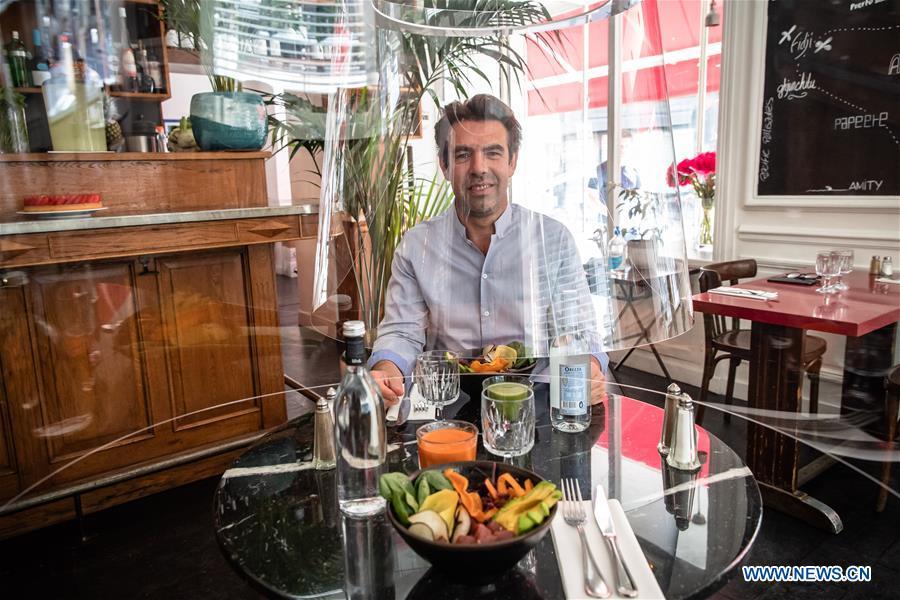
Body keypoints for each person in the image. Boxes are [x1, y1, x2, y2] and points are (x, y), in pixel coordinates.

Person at [367, 94, 607, 408]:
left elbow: (578, 331)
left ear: (512, 161)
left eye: (493, 152)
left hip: (540, 402)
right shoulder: (416, 246)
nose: (479, 168)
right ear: (444, 165)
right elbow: (402, 332)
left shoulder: (553, 239)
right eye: (463, 154)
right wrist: (387, 370)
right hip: (449, 404)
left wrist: (589, 367)